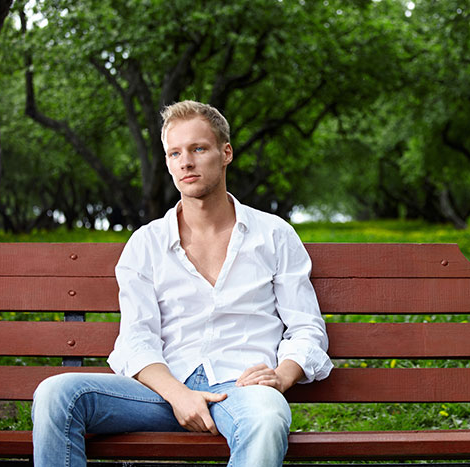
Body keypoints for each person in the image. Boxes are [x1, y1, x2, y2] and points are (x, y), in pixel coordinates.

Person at [31, 100, 333, 467]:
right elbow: (137, 340)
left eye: (198, 149)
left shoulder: (273, 235)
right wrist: (179, 395)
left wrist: (281, 377)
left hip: (242, 390)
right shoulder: (147, 243)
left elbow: (306, 328)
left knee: (268, 418)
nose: (185, 162)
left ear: (226, 153)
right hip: (160, 393)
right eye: (174, 153)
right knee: (56, 393)